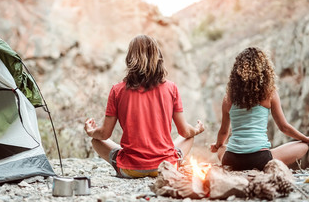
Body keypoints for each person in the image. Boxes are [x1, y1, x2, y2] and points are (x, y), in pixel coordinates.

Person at [84, 34, 204, 178]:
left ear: (129, 58)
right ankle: (172, 160)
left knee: (96, 141)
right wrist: (196, 130)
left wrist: (92, 132)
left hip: (130, 169)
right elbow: (185, 132)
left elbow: (104, 134)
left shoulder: (117, 90)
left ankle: (130, 165)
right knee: (189, 137)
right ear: (158, 57)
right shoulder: (171, 88)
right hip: (166, 167)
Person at [210, 47, 309, 171]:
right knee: (304, 146)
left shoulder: (228, 98)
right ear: (264, 70)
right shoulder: (270, 94)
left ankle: (232, 165)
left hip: (232, 159)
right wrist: (306, 139)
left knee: (221, 148)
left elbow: (224, 132)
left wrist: (217, 145)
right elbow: (284, 127)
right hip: (260, 158)